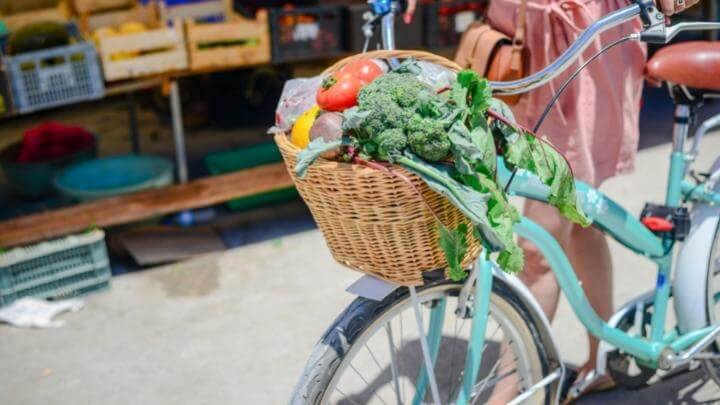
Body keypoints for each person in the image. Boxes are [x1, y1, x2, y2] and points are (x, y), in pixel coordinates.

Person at [403, 0, 700, 399]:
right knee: (576, 219)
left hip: (581, 50)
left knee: (539, 243)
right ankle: (601, 358)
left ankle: (511, 390)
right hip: (520, 44)